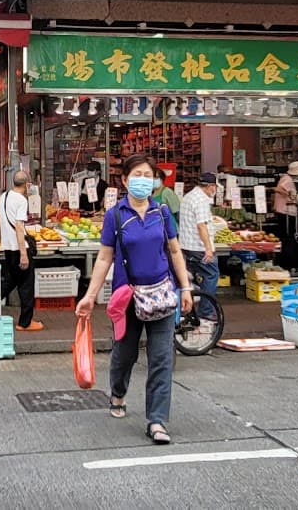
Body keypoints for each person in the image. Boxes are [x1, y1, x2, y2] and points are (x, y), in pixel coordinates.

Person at [76, 153, 194, 446]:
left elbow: (175, 251)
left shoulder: (162, 212)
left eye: (147, 175)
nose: (142, 180)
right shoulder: (115, 215)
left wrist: (186, 287)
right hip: (127, 298)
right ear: (125, 180)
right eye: (136, 175)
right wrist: (90, 296)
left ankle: (157, 420)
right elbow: (104, 258)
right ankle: (118, 391)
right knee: (124, 354)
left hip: (162, 295)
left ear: (154, 181)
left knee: (162, 359)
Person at [0, 169, 42, 331]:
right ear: (27, 184)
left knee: (9, 281)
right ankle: (25, 323)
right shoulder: (21, 200)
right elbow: (20, 228)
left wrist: (4, 239)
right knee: (26, 285)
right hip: (19, 248)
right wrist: (23, 254)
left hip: (7, 248)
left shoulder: (3, 196)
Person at [178, 172, 220, 319]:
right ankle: (206, 310)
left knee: (193, 276)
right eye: (214, 187)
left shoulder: (189, 196)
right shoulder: (201, 200)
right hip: (198, 247)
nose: (214, 190)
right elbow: (201, 226)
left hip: (186, 245)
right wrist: (208, 248)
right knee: (211, 274)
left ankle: (188, 304)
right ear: (210, 186)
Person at [273, 162, 298, 247]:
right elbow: (278, 189)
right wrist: (288, 194)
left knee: (285, 232)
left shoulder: (285, 178)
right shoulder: (287, 179)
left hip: (283, 210)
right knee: (287, 233)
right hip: (285, 210)